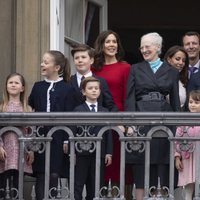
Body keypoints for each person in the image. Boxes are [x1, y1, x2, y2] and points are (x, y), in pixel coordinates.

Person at [125, 32, 180, 200]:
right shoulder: (135, 68)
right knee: (141, 163)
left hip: (164, 118)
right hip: (141, 117)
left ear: (157, 47)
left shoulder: (171, 71)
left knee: (163, 163)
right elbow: (130, 97)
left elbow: (176, 102)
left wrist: (177, 129)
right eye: (141, 47)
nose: (143, 50)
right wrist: (130, 124)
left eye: (147, 46)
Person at [29, 50, 73, 200]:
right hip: (40, 134)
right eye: (42, 61)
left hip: (59, 135)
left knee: (55, 172)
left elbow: (70, 115)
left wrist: (67, 139)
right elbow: (31, 109)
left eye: (46, 62)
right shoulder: (37, 86)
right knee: (41, 172)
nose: (42, 64)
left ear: (57, 67)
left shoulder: (68, 87)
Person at [92, 30, 131, 188]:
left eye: (114, 41)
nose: (111, 45)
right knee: (101, 164)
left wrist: (127, 121)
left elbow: (128, 96)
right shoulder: (94, 69)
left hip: (119, 120)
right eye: (108, 41)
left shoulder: (126, 67)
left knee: (119, 164)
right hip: (99, 119)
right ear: (101, 45)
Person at [73, 77, 113, 200]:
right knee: (78, 183)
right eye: (90, 88)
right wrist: (72, 152)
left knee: (96, 184)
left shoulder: (105, 111)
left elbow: (108, 133)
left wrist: (108, 152)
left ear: (100, 91)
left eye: (96, 88)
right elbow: (73, 133)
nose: (94, 91)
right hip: (81, 153)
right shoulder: (77, 110)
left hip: (99, 153)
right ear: (84, 92)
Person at [0, 73, 34, 198]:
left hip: (21, 150)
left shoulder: (27, 109)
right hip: (4, 151)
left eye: (16, 83)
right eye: (10, 82)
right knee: (4, 184)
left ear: (22, 88)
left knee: (18, 184)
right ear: (6, 86)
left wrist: (31, 150)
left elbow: (31, 131)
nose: (13, 85)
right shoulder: (2, 107)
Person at [69, 43, 117, 111]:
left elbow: (110, 105)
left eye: (83, 57)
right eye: (76, 58)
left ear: (91, 60)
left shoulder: (101, 81)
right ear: (73, 61)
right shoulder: (68, 81)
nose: (80, 60)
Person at [175, 90, 200, 200]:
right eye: (190, 102)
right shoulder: (184, 120)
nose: (193, 105)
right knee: (188, 190)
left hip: (198, 158)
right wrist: (177, 157)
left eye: (196, 102)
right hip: (188, 159)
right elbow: (176, 140)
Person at [164, 45, 189, 110]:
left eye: (183, 60)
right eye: (177, 59)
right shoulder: (161, 79)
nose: (181, 63)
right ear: (169, 60)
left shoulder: (184, 80)